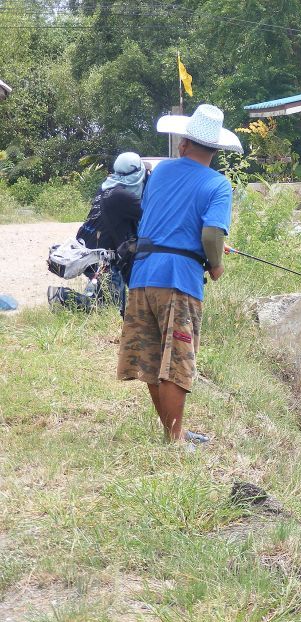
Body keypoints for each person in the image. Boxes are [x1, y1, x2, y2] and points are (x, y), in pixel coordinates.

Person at [116, 104, 242, 448]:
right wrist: (215, 264)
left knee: (151, 358)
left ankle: (174, 433)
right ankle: (176, 440)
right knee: (176, 363)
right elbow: (212, 236)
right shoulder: (218, 185)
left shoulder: (161, 173)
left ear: (185, 143)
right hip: (179, 281)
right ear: (215, 150)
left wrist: (198, 247)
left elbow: (167, 220)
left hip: (142, 276)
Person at [48, 152, 145, 314]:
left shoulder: (107, 187)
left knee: (104, 298)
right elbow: (149, 214)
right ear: (138, 173)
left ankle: (65, 298)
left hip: (92, 251)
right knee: (109, 305)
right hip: (105, 257)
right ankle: (60, 296)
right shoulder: (122, 196)